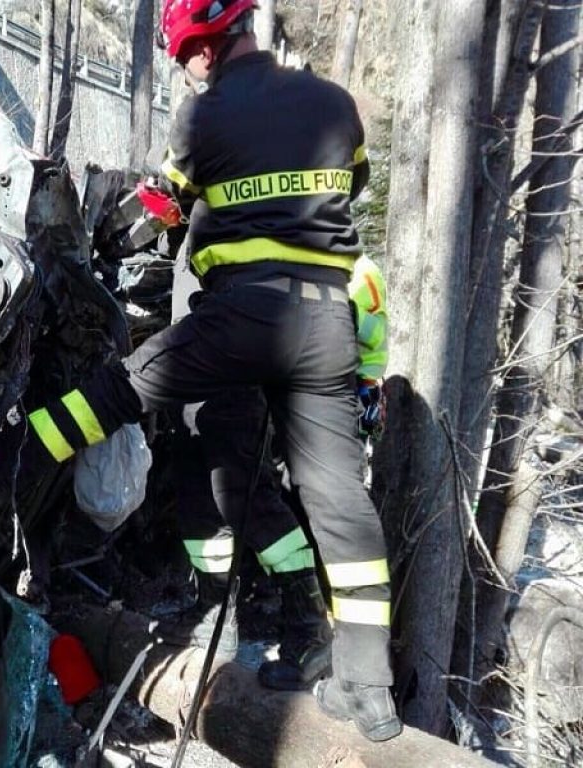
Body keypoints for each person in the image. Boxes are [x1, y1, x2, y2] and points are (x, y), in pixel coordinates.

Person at [22, 0, 400, 742]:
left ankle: (12, 462)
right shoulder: (333, 105)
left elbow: (162, 206)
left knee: (119, 391)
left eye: (184, 54)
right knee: (337, 496)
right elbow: (348, 187)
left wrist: (130, 226)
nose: (184, 68)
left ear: (204, 44)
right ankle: (367, 685)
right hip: (326, 325)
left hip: (238, 317)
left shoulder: (202, 117)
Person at [163, 253, 388, 695]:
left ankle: (309, 630)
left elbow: (356, 330)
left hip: (251, 372)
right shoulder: (204, 233)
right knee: (198, 499)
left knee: (245, 495)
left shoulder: (339, 257)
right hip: (195, 370)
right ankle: (216, 614)